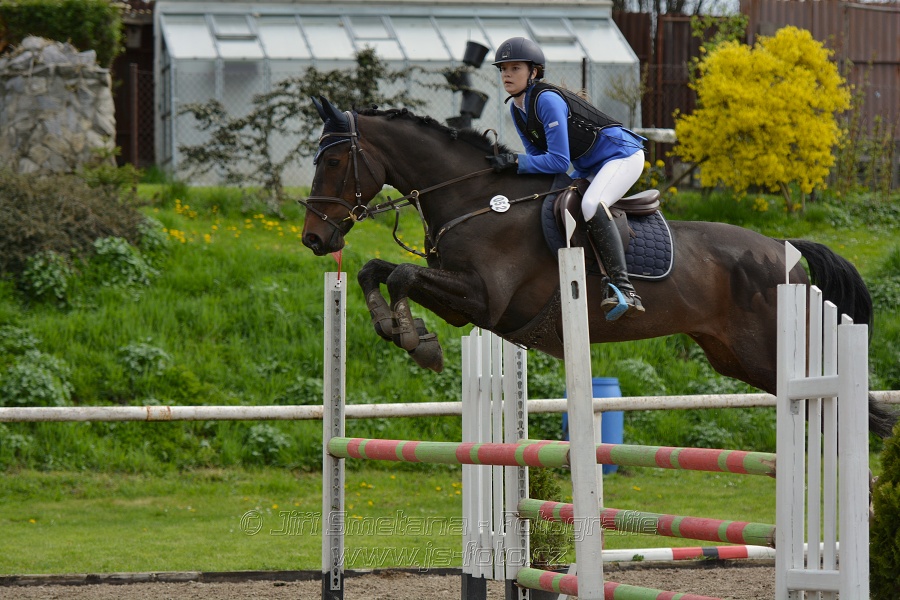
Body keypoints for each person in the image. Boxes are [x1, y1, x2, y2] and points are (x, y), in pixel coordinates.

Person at [488, 37, 646, 321]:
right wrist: (515, 166)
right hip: (590, 164)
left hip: (622, 155)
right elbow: (539, 157)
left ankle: (624, 288)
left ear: (533, 72)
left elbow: (559, 161)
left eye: (514, 68)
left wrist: (515, 162)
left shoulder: (546, 100)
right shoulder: (517, 107)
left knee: (590, 205)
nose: (507, 75)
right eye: (503, 69)